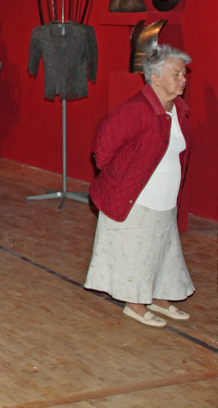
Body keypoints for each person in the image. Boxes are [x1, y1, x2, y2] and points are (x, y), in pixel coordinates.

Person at [84, 45, 194, 328]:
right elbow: (102, 152)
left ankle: (159, 297)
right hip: (135, 199)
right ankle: (134, 304)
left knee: (163, 250)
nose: (183, 79)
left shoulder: (178, 111)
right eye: (176, 73)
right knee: (136, 253)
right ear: (155, 77)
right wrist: (125, 180)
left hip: (164, 199)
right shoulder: (135, 110)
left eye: (184, 73)